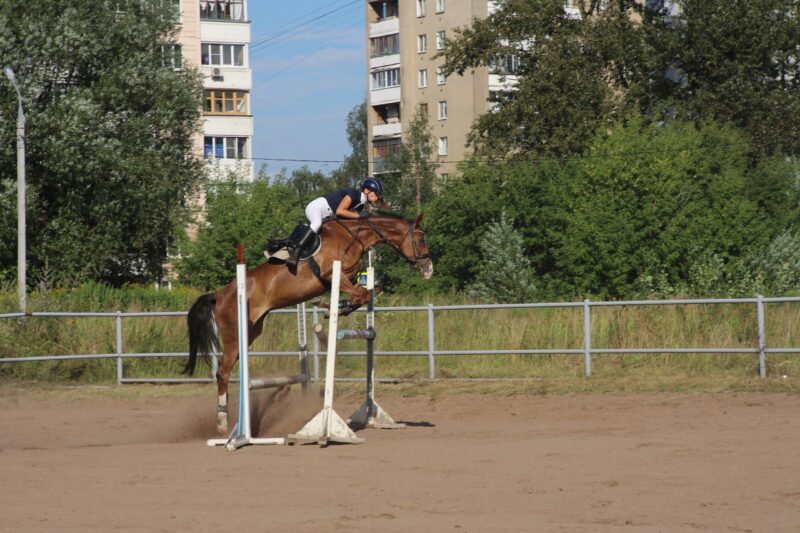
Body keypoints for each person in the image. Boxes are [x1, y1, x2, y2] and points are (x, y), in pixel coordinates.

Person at [276, 177, 385, 269]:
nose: (377, 197)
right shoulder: (354, 194)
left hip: (326, 215)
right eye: (376, 194)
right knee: (317, 223)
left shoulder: (360, 205)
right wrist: (359, 216)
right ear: (366, 190)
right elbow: (340, 211)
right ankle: (295, 252)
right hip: (317, 208)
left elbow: (346, 221)